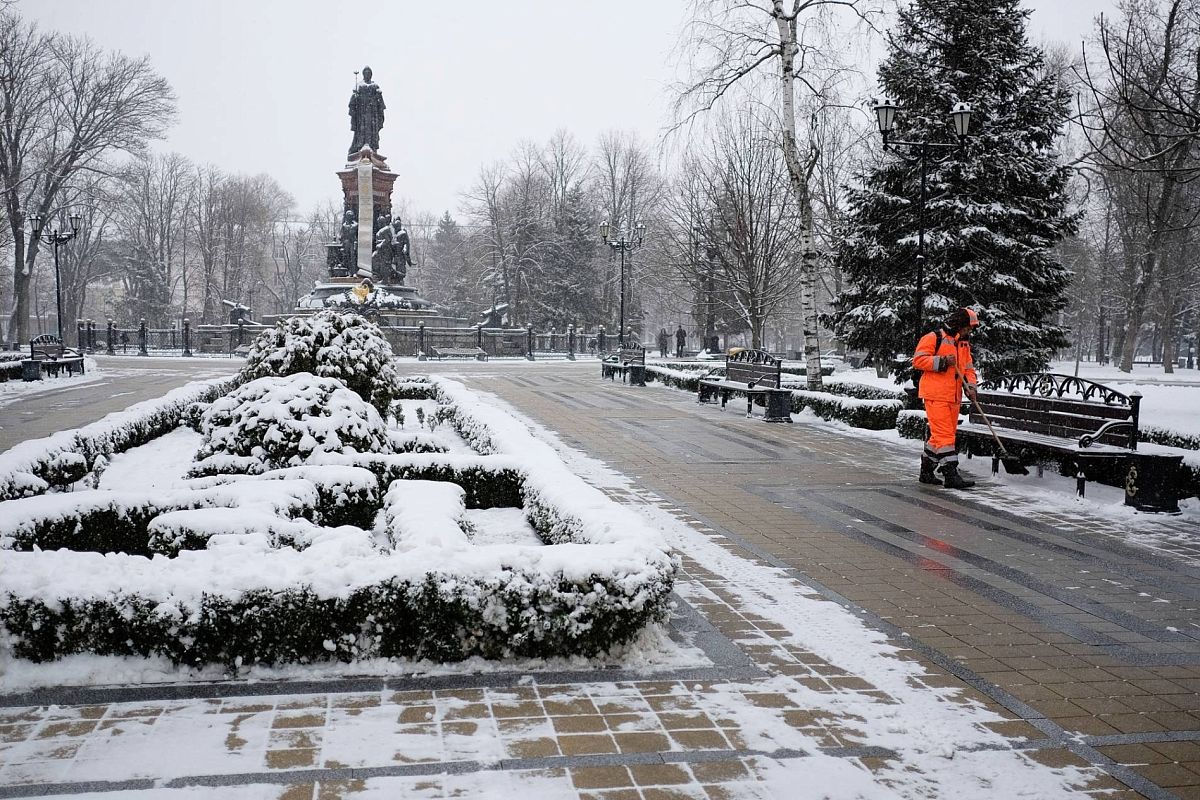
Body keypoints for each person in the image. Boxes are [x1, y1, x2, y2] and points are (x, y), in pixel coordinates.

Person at [912, 307, 979, 489]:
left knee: (939, 437)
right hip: (936, 395)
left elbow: (968, 368)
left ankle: (926, 472)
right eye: (968, 327)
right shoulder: (934, 337)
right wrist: (942, 362)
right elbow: (918, 361)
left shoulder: (963, 344)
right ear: (960, 324)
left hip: (954, 396)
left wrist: (971, 387)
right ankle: (951, 474)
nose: (970, 331)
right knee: (945, 435)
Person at [348, 66, 386, 156]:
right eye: (366, 73)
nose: (367, 74)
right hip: (362, 113)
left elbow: (380, 103)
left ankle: (372, 147)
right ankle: (360, 147)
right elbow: (353, 102)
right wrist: (355, 97)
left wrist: (378, 96)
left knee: (372, 130)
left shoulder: (375, 86)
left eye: (369, 73)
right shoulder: (359, 86)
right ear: (363, 74)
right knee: (361, 130)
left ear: (371, 75)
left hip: (373, 113)